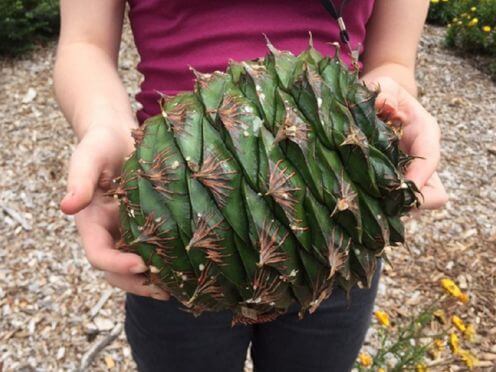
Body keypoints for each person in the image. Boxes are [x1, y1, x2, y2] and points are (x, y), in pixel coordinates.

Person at [53, 1, 448, 371]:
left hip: (332, 217)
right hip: (176, 214)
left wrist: (393, 107)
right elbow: (84, 44)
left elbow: (392, 59)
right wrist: (104, 126)